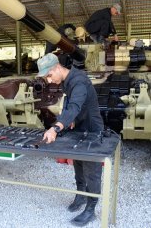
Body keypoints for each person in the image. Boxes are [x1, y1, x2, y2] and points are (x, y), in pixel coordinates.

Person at [37, 53, 104, 226]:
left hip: (91, 130)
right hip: (79, 128)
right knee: (78, 166)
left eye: (49, 75)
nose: (49, 81)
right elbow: (70, 104)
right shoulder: (67, 80)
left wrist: (56, 128)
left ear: (58, 67)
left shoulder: (79, 81)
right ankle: (81, 196)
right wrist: (69, 120)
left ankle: (91, 209)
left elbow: (75, 106)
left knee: (92, 171)